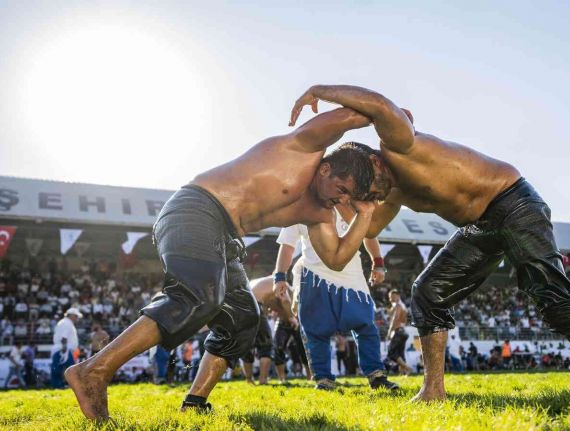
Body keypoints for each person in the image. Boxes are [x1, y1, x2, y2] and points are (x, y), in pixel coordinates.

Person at [289, 84, 570, 404]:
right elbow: (371, 227)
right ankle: (433, 390)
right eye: (369, 195)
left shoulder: (398, 144)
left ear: (375, 162)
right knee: (427, 292)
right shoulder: (390, 195)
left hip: (514, 202)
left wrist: (320, 91)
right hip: (480, 226)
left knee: (552, 299)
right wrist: (346, 203)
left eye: (373, 188)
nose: (376, 196)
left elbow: (378, 105)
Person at [66, 106, 389, 420]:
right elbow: (350, 115)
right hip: (196, 207)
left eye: (349, 197)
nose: (341, 200)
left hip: (225, 236)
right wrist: (388, 119)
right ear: (326, 169)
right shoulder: (301, 151)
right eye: (341, 189)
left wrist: (365, 214)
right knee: (199, 297)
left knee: (243, 320)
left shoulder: (320, 212)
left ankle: (195, 403)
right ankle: (94, 370)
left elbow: (336, 259)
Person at [274, 202, 397, 391]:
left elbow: (368, 233)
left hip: (352, 276)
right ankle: (323, 380)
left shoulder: (353, 201)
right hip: (315, 275)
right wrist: (280, 276)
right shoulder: (303, 203)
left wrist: (378, 262)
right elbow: (287, 245)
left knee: (365, 324)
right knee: (315, 330)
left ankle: (376, 376)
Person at [239, 276, 297, 386]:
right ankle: (263, 379)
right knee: (266, 345)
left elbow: (265, 308)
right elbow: (285, 300)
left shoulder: (261, 283)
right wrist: (291, 317)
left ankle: (249, 380)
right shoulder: (283, 284)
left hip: (240, 307)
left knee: (247, 346)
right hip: (254, 304)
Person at [385, 290, 412, 375]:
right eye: (389, 297)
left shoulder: (398, 305)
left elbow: (395, 319)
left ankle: (408, 368)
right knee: (400, 354)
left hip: (398, 331)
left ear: (398, 296)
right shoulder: (402, 305)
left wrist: (389, 332)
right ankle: (404, 373)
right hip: (403, 331)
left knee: (391, 353)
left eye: (392, 297)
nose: (390, 299)